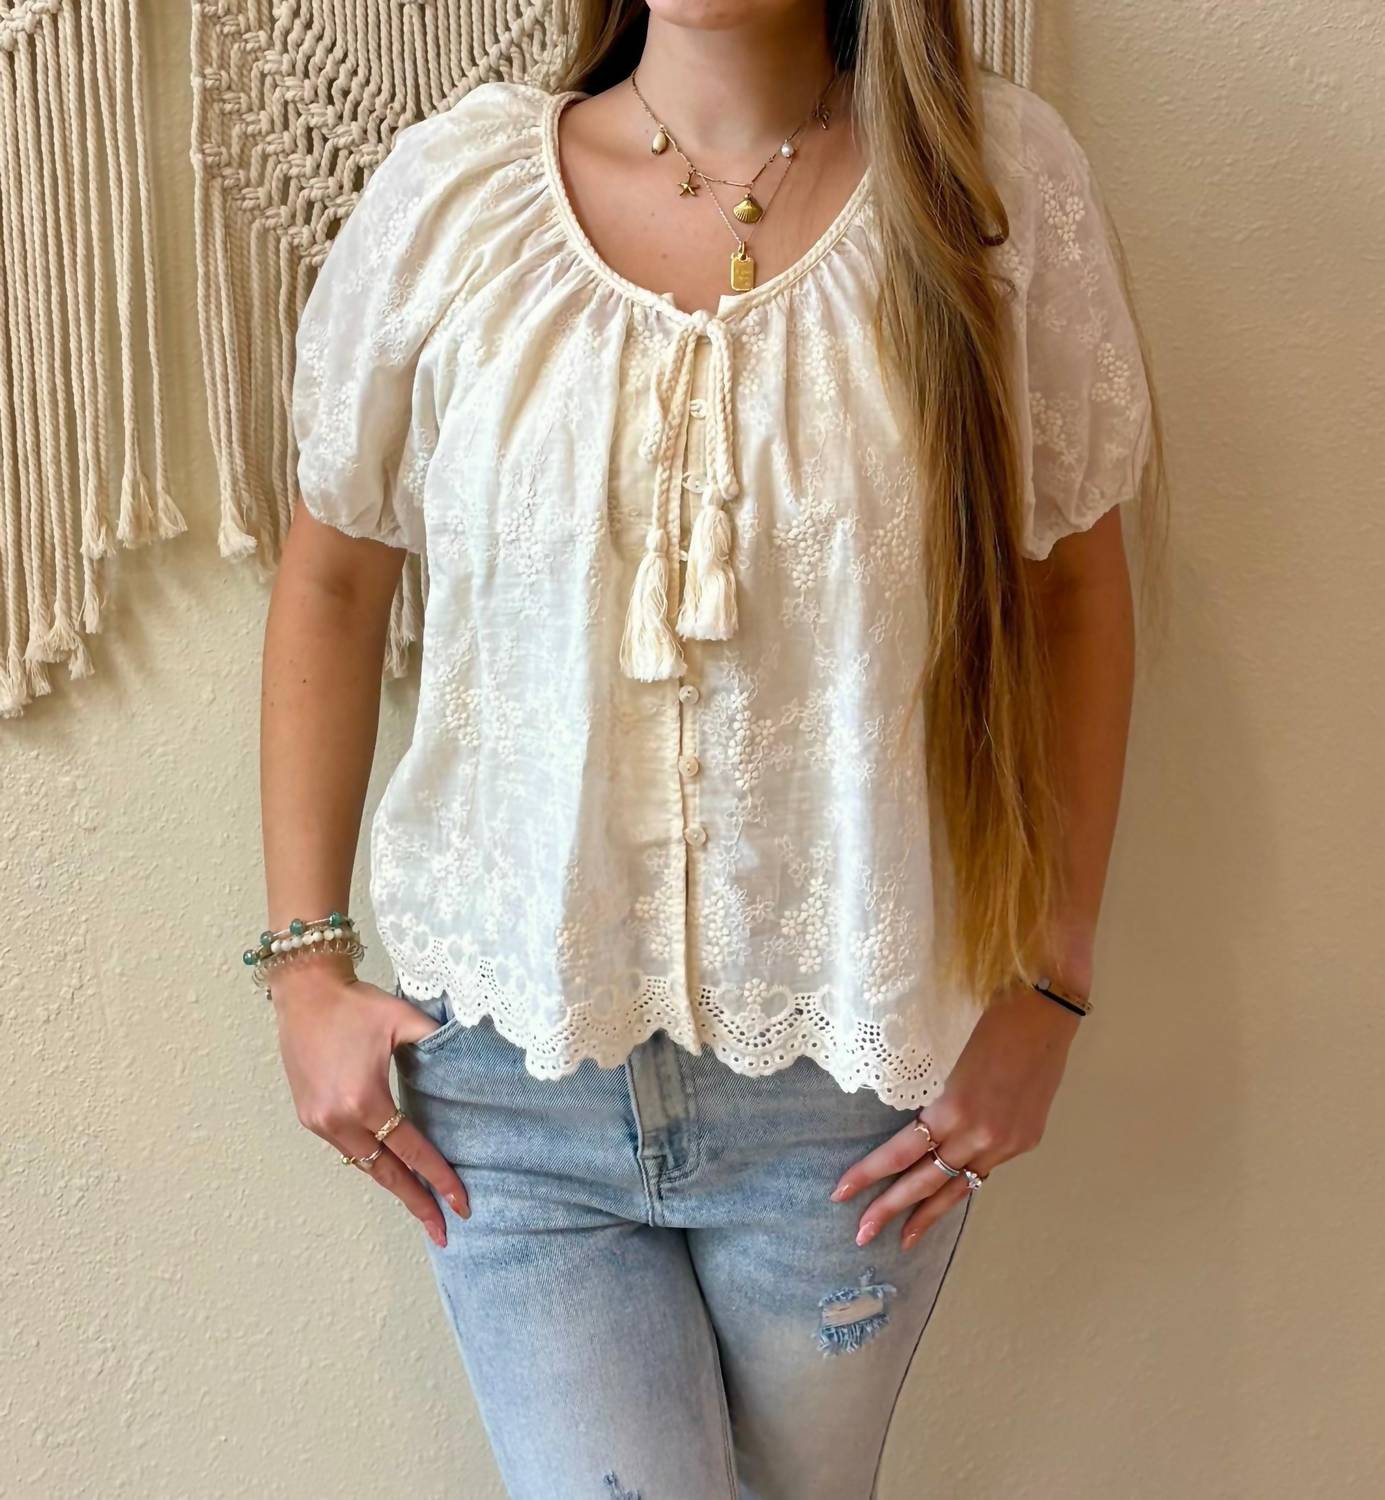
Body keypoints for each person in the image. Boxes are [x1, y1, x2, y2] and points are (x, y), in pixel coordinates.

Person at [254, 0, 1161, 1493]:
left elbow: (1071, 593)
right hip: (507, 1080)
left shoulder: (986, 193)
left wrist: (1051, 989)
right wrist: (304, 966)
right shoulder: (456, 199)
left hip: (852, 1087)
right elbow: (335, 577)